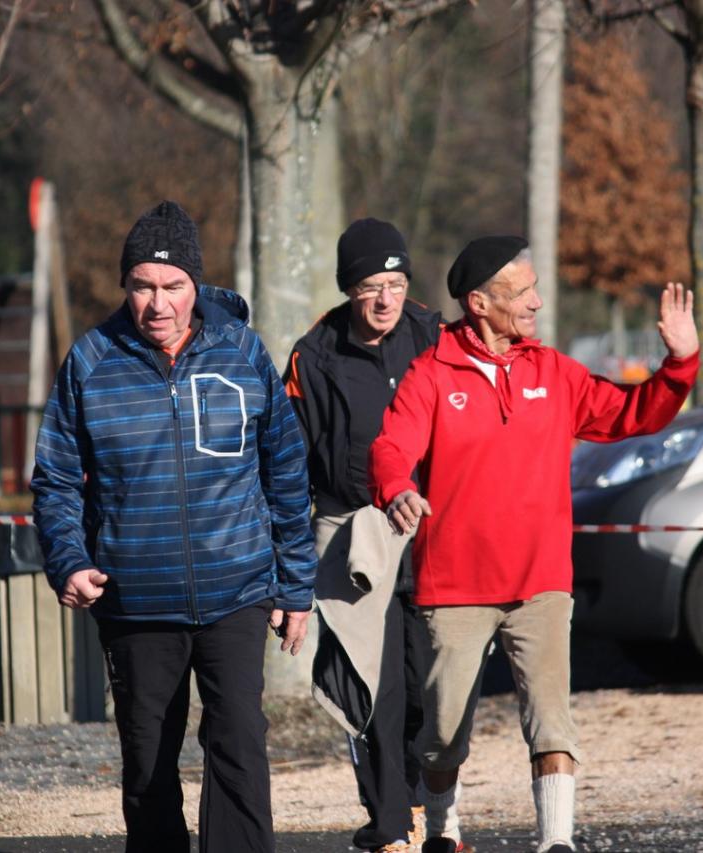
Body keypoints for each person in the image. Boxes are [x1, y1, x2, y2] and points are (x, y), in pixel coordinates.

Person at [368, 236, 699, 853]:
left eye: (535, 289)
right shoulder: (431, 373)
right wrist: (396, 489)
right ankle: (441, 829)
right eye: (521, 293)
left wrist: (679, 363)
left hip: (543, 582)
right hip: (455, 585)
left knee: (552, 725)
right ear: (478, 303)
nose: (537, 302)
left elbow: (635, 414)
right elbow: (391, 446)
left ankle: (556, 842)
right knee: (443, 738)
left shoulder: (554, 371)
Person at [30, 200, 318, 853]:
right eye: (142, 286)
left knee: (239, 743)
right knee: (149, 761)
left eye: (173, 286)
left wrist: (296, 585)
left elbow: (286, 472)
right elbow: (55, 478)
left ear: (196, 285)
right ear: (125, 286)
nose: (158, 303)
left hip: (237, 589)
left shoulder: (242, 353)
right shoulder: (90, 362)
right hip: (135, 601)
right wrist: (68, 559)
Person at [283, 218, 442, 852]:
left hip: (426, 530)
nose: (385, 300)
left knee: (428, 683)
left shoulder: (433, 334)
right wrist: (291, 567)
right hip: (351, 533)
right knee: (374, 689)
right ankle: (389, 825)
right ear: (349, 290)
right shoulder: (313, 356)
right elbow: (290, 465)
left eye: (396, 285)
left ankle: (424, 808)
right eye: (372, 287)